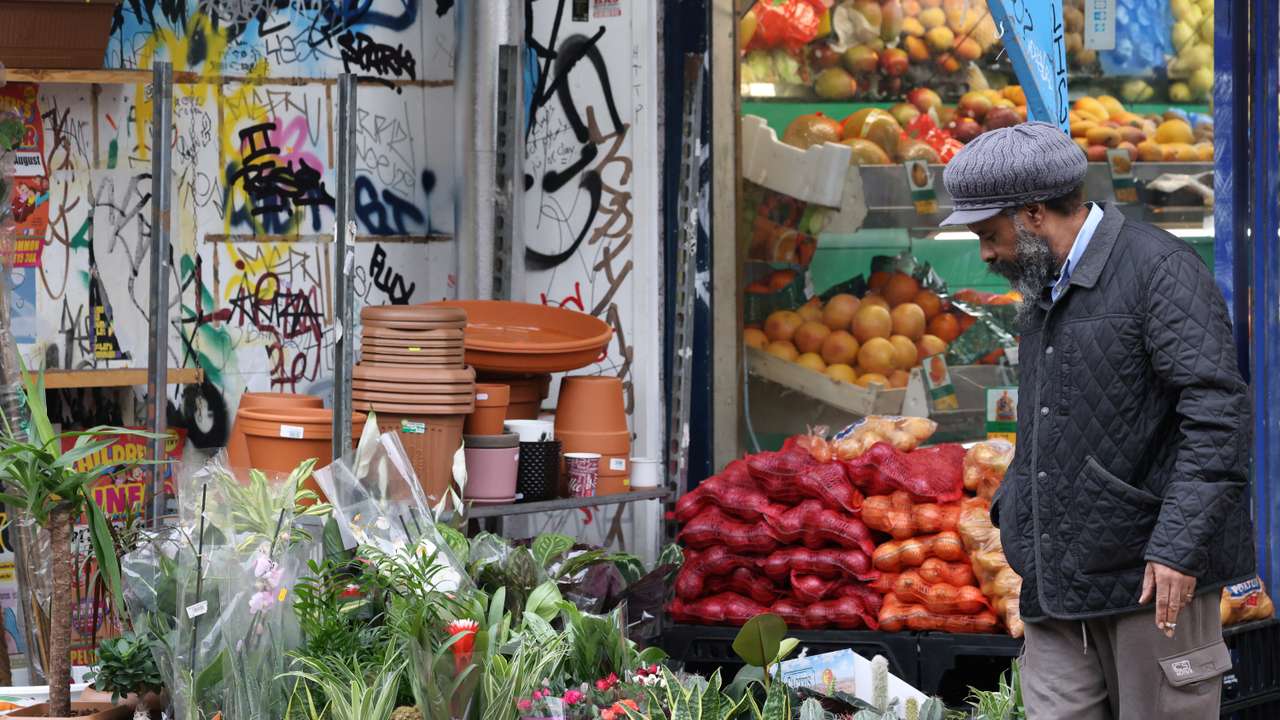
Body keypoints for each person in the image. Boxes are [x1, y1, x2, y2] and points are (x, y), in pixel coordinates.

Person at [939, 122, 1255, 719]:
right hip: (1056, 587)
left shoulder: (1160, 269)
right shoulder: (1041, 287)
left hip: (1151, 581)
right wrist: (1017, 515)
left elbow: (1217, 413)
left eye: (989, 232)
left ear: (1032, 213)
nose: (985, 253)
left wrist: (1179, 548)